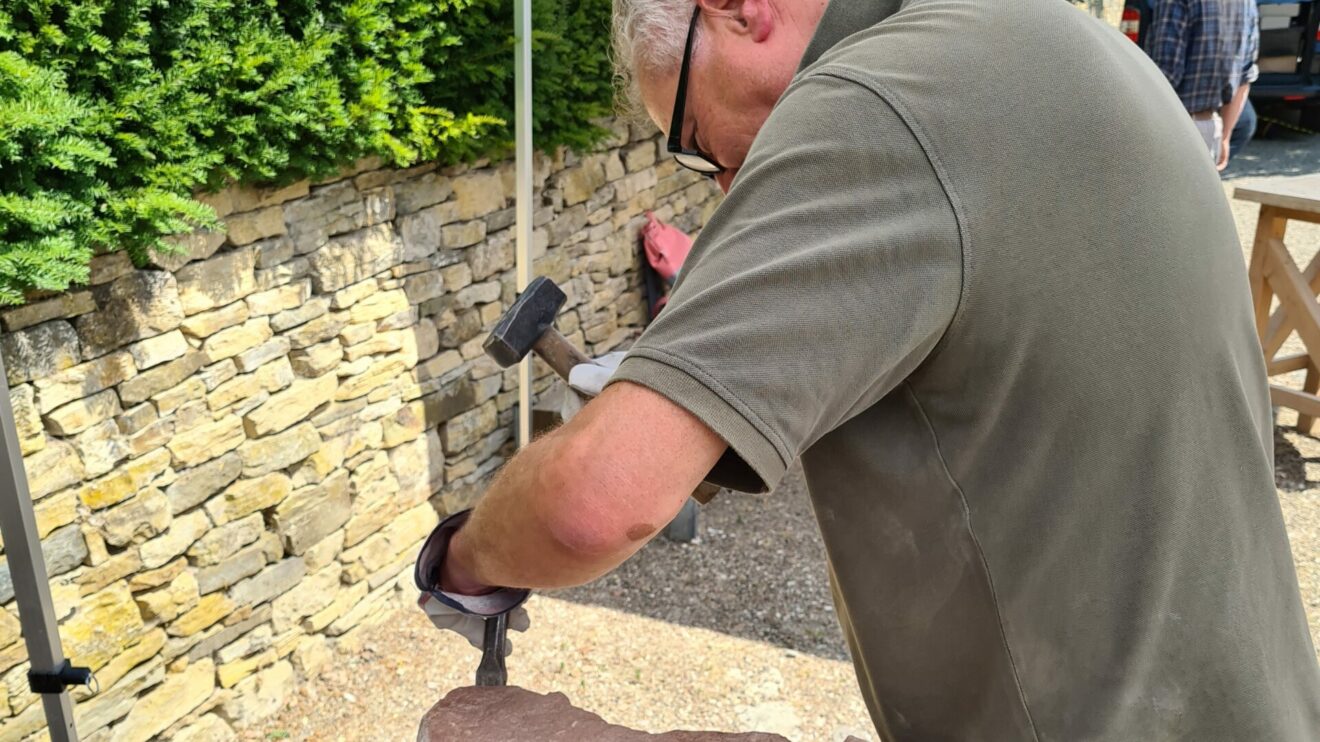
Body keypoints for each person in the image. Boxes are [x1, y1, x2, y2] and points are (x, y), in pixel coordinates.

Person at [416, 0, 1320, 739]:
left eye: (693, 135)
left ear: (735, 10)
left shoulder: (874, 101)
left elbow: (594, 504)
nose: (725, 181)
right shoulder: (1044, 39)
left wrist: (464, 558)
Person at [1143, 0, 1259, 169]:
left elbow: (1165, 75)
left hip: (1170, 129)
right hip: (1212, 128)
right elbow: (1245, 75)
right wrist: (1225, 137)